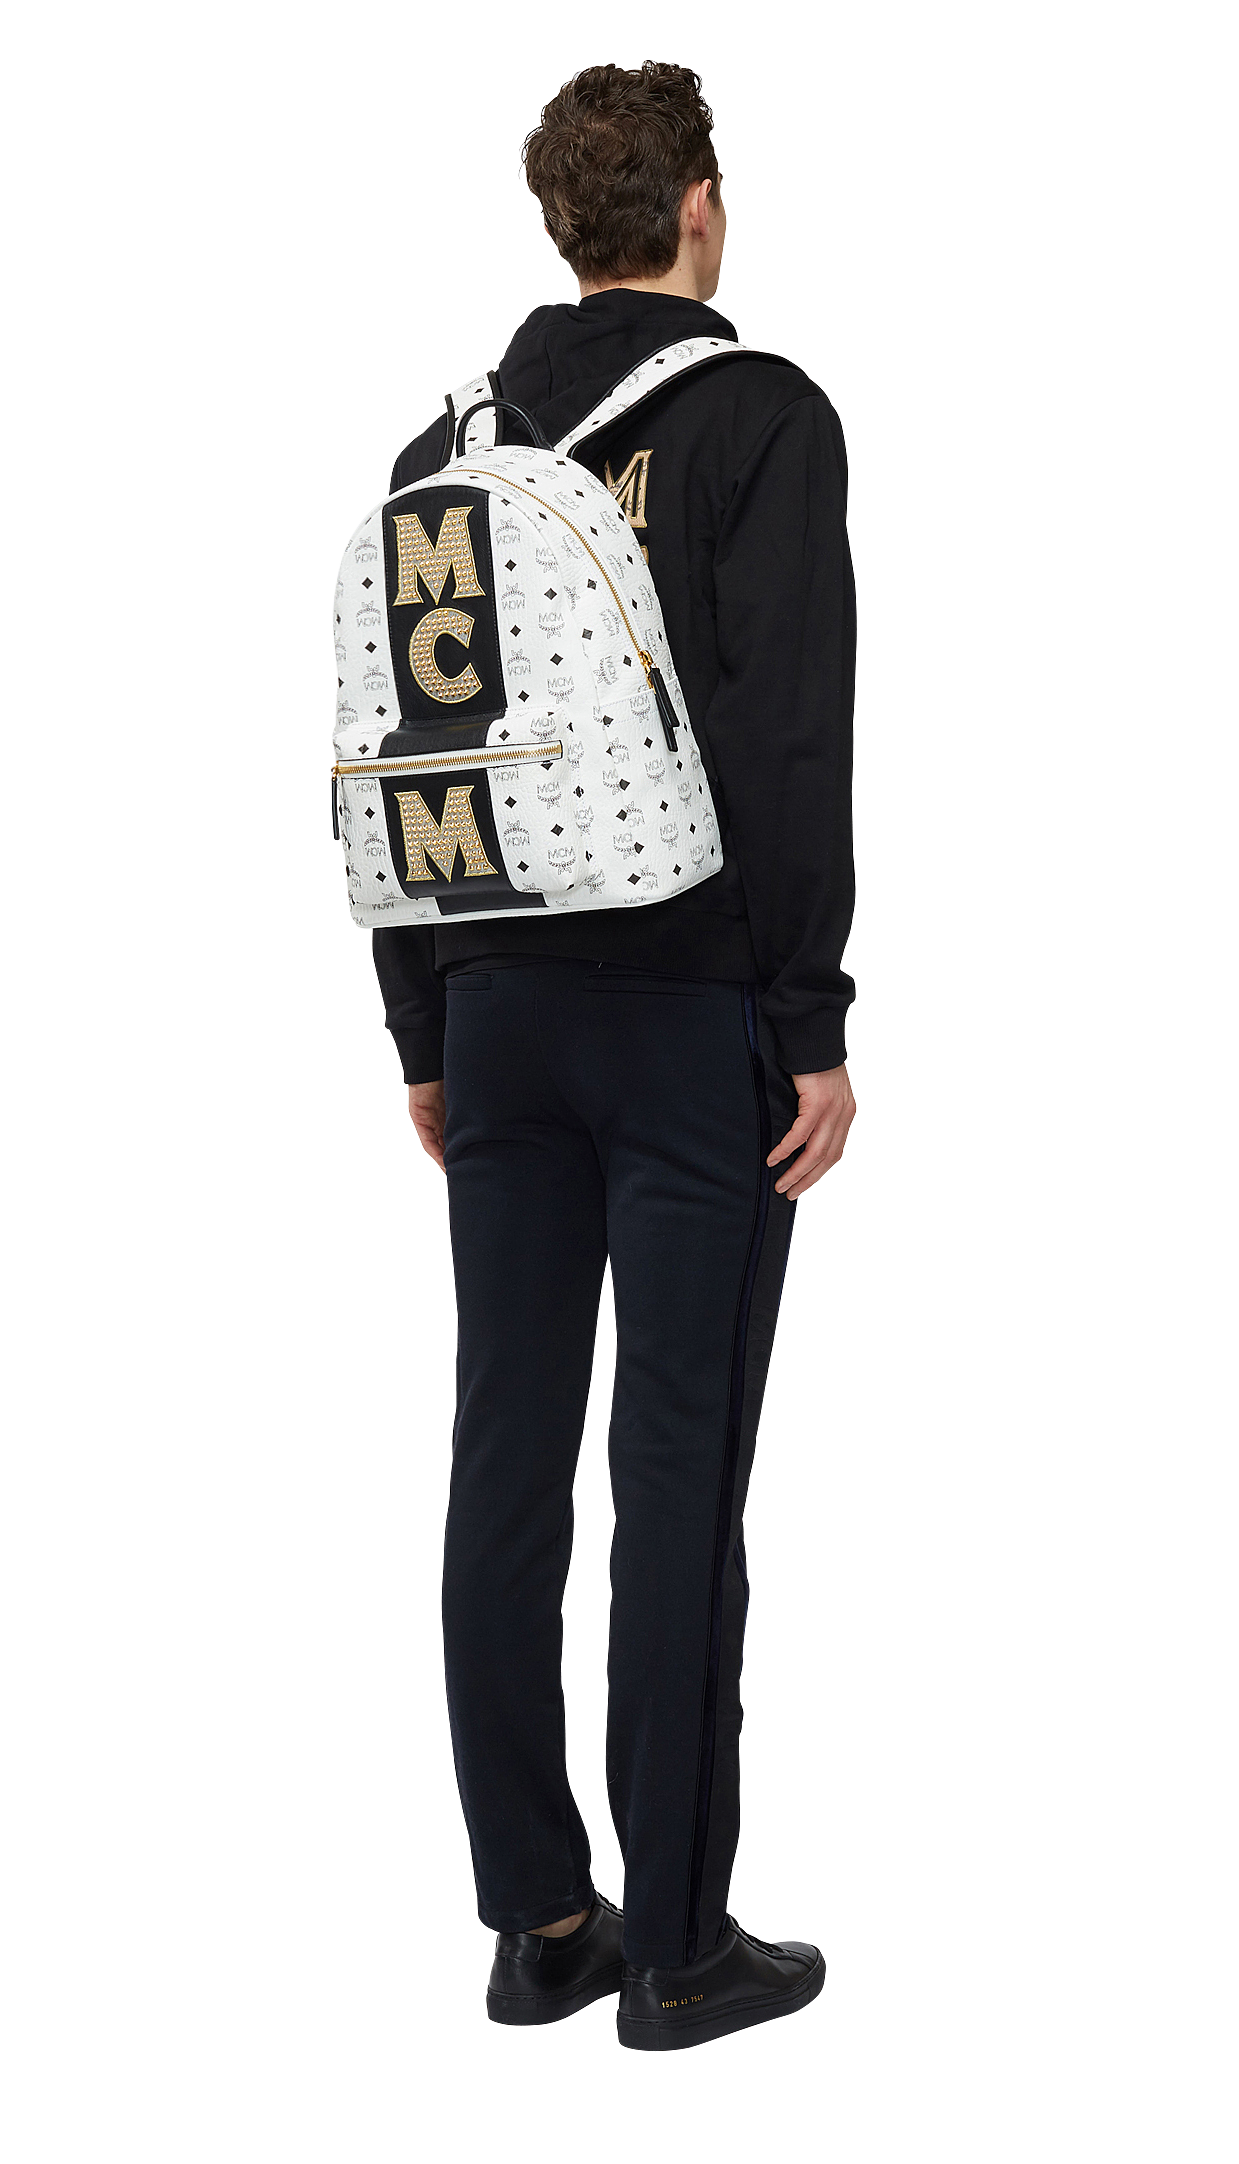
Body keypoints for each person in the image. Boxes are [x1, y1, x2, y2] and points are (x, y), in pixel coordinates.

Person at [369, 60, 856, 2050]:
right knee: (673, 1469)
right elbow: (795, 741)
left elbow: (412, 738)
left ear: (558, 228)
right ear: (704, 208)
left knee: (498, 1460)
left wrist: (421, 1013)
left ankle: (537, 1919)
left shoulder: (456, 439)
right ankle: (675, 1949)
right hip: (688, 1013)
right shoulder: (760, 421)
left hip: (495, 1005)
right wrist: (813, 1026)